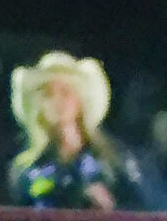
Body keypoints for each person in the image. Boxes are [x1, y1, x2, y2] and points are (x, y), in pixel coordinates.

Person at [8, 51, 139, 211]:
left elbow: (138, 212)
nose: (57, 102)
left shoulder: (113, 161)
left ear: (80, 99)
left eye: (65, 92)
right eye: (48, 94)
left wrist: (108, 207)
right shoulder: (26, 169)